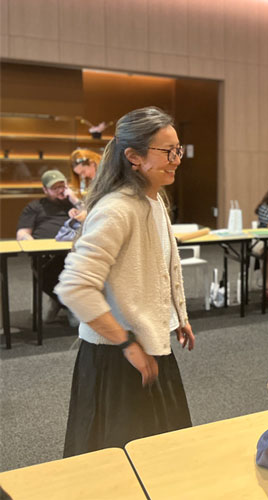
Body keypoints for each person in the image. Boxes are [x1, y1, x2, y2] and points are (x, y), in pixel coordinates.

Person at [55, 106, 194, 457]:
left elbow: (161, 268)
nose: (176, 159)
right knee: (118, 465)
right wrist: (127, 343)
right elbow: (75, 287)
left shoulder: (154, 200)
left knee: (163, 457)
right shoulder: (117, 208)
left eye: (178, 149)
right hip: (116, 358)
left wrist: (179, 317)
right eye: (167, 152)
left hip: (150, 344)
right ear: (133, 156)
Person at [17, 169, 81, 319]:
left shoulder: (72, 205)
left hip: (72, 252)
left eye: (62, 186)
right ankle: (68, 304)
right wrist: (33, 245)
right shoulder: (34, 206)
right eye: (54, 188)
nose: (60, 190)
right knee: (50, 271)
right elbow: (22, 233)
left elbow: (94, 215)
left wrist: (74, 199)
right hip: (46, 254)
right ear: (45, 190)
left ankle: (63, 303)